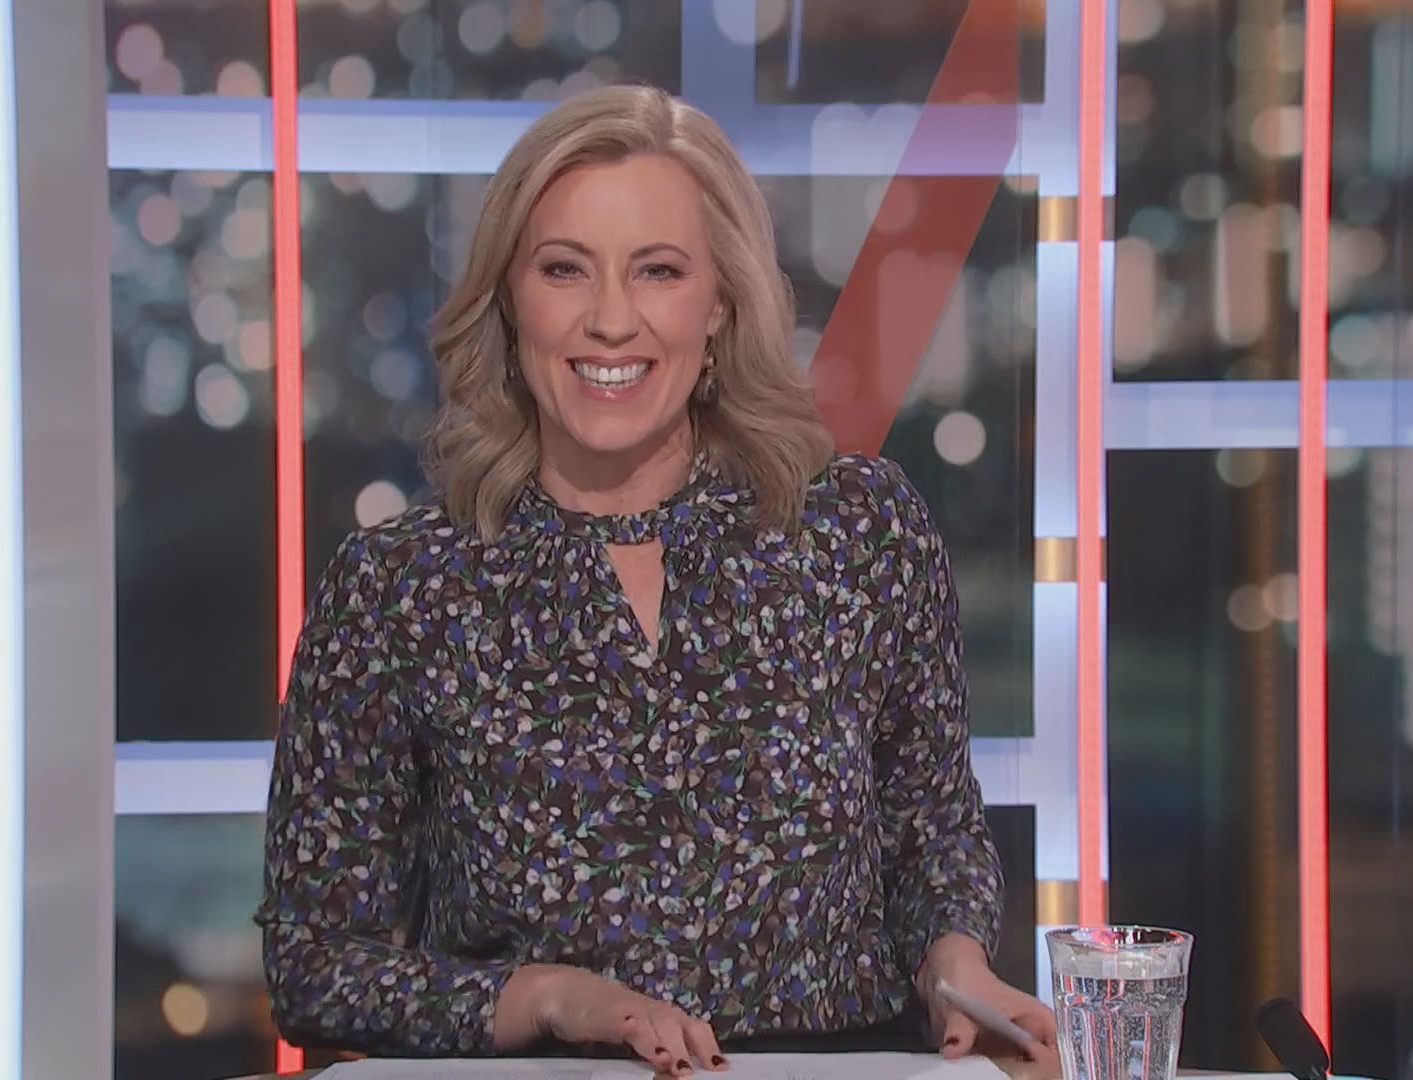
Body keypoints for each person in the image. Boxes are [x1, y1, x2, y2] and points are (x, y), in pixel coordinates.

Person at [257, 83, 1057, 1073]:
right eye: (564, 269)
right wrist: (548, 998)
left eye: (658, 271)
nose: (609, 320)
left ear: (719, 303)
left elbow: (932, 833)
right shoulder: (402, 587)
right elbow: (314, 965)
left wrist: (955, 962)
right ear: (508, 300)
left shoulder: (860, 532)